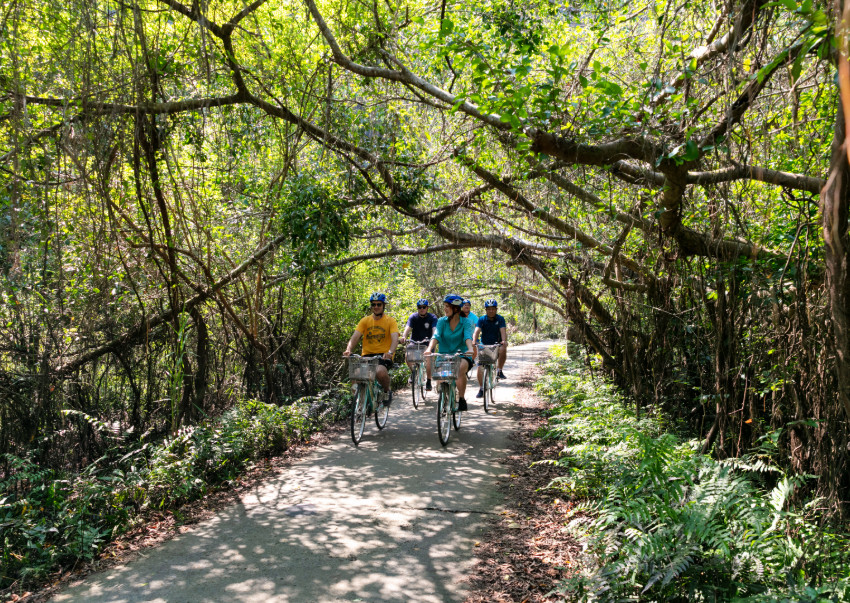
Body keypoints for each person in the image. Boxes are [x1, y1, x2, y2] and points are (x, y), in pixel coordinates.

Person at [343, 292, 399, 405]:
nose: (376, 307)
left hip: (383, 355)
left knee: (380, 372)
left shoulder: (390, 321)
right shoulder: (365, 321)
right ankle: (359, 403)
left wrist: (390, 352)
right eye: (373, 304)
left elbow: (395, 339)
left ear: (383, 306)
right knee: (356, 374)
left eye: (379, 304)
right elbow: (355, 337)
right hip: (367, 356)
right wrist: (348, 349)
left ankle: (387, 391)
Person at [425, 294, 474, 411]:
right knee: (440, 378)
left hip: (461, 355)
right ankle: (444, 399)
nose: (445, 309)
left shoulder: (466, 322)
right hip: (444, 355)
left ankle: (461, 398)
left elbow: (467, 336)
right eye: (444, 306)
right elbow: (436, 336)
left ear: (456, 308)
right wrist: (429, 348)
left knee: (460, 368)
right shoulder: (442, 321)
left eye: (448, 306)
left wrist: (470, 348)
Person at [473, 299, 508, 398]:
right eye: (489, 309)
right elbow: (477, 331)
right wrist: (474, 340)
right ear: (486, 310)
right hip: (484, 345)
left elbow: (503, 331)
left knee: (503, 349)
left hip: (497, 344)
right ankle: (481, 388)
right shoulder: (482, 319)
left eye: (493, 309)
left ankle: (499, 370)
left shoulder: (500, 319)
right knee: (480, 367)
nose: (491, 311)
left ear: (496, 309)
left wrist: (504, 341)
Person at [400, 298, 437, 391]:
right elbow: (408, 327)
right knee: (407, 355)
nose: (422, 309)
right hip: (415, 342)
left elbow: (434, 330)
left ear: (427, 308)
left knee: (429, 359)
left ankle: (428, 381)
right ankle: (413, 373)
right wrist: (404, 336)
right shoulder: (413, 317)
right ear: (417, 308)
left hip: (428, 342)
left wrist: (434, 338)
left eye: (424, 307)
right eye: (419, 307)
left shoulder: (432, 317)